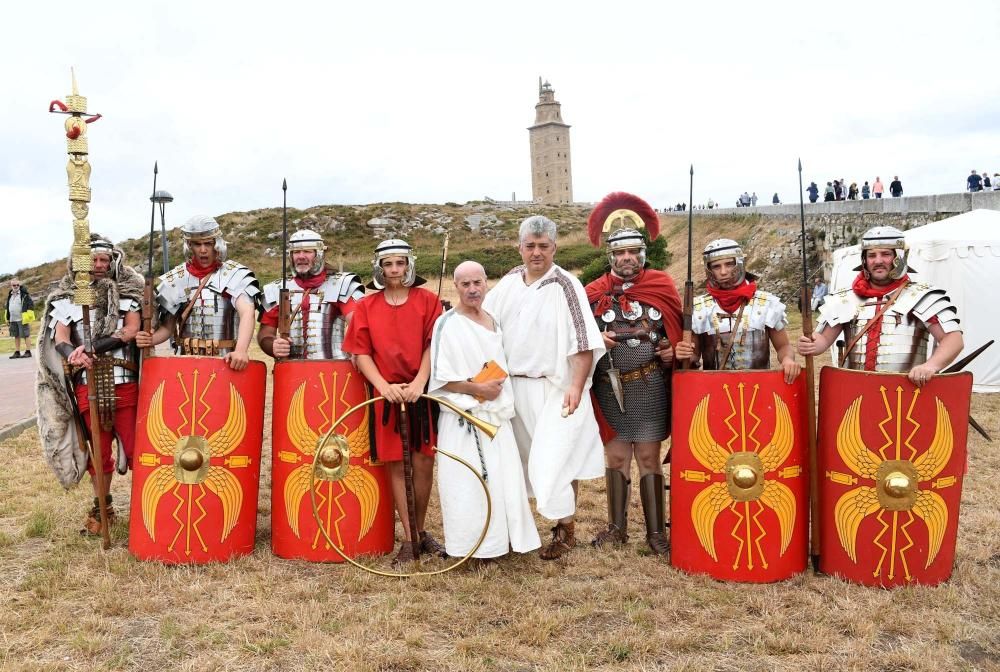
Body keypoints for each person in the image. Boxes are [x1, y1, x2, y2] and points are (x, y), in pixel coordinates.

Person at [483, 215, 606, 560]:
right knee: (517, 461)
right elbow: (486, 331)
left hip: (556, 388)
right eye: (530, 246)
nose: (536, 253)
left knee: (557, 458)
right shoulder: (508, 282)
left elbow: (583, 341)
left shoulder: (566, 285)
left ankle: (565, 528)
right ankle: (515, 529)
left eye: (543, 246)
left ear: (554, 247)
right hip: (511, 389)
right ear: (519, 247)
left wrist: (577, 385)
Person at [583, 192, 682, 556]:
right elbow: (579, 341)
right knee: (616, 458)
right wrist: (598, 343)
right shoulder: (592, 293)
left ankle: (656, 533)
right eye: (619, 253)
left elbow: (679, 334)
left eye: (632, 252)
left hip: (650, 385)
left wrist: (672, 351)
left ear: (642, 254)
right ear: (610, 257)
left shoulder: (661, 286)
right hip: (610, 387)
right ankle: (616, 528)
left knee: (649, 459)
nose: (626, 259)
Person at [428, 261, 541, 560]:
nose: (472, 289)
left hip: (496, 417)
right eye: (465, 284)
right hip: (463, 419)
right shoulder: (447, 324)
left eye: (477, 282)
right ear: (456, 287)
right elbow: (440, 379)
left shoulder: (493, 321)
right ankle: (470, 547)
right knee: (467, 485)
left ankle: (501, 544)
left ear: (486, 284)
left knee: (502, 481)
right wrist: (477, 389)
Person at [342, 238, 444, 565]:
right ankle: (410, 539)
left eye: (400, 263)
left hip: (420, 392)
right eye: (389, 264)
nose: (395, 270)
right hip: (386, 395)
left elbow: (433, 344)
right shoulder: (366, 308)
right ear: (379, 269)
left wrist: (418, 382)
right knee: (398, 465)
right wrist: (383, 386)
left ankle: (419, 531)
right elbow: (360, 352)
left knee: (423, 461)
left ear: (409, 264)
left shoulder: (428, 301)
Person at [36, 234, 144, 534]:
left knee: (138, 449)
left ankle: (147, 506)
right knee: (98, 452)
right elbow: (60, 338)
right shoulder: (68, 300)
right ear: (81, 264)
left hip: (125, 382)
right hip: (88, 384)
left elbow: (132, 329)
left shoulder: (128, 295)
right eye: (94, 260)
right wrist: (73, 354)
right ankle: (103, 506)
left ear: (113, 262)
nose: (99, 265)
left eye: (104, 260)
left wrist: (94, 347)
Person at [797, 226, 963, 387]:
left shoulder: (919, 296)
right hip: (856, 392)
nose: (878, 261)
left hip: (905, 393)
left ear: (898, 256)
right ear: (864, 259)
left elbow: (953, 339)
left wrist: (929, 366)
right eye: (871, 255)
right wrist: (812, 345)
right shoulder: (846, 298)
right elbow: (824, 339)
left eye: (885, 254)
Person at [135, 215, 260, 369]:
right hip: (186, 363)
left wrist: (241, 350)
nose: (203, 250)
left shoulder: (235, 275)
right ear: (189, 246)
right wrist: (150, 340)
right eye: (197, 244)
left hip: (226, 363)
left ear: (218, 245)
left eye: (208, 243)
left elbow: (247, 312)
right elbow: (168, 328)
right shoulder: (176, 279)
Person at [675, 239, 801, 385]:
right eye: (716, 266)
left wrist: (787, 359)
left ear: (740, 263)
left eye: (729, 264)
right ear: (709, 270)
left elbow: (783, 347)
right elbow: (693, 358)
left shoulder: (766, 304)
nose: (723, 271)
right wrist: (684, 355)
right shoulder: (699, 308)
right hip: (714, 388)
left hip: (758, 387)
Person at [257, 229, 364, 359]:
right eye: (296, 252)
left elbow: (358, 325)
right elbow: (265, 334)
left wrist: (357, 353)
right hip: (291, 372)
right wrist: (273, 345)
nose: (301, 256)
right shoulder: (277, 289)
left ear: (318, 254)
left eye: (307, 251)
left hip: (334, 370)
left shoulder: (342, 285)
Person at [5, 278, 33, 358]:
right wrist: (7, 318)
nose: (16, 286)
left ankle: (28, 351)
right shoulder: (10, 295)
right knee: (16, 335)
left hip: (22, 318)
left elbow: (30, 304)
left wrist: (28, 315)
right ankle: (17, 352)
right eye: (14, 285)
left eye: (18, 285)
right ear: (11, 286)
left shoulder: (24, 294)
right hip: (13, 319)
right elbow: (8, 306)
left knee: (26, 335)